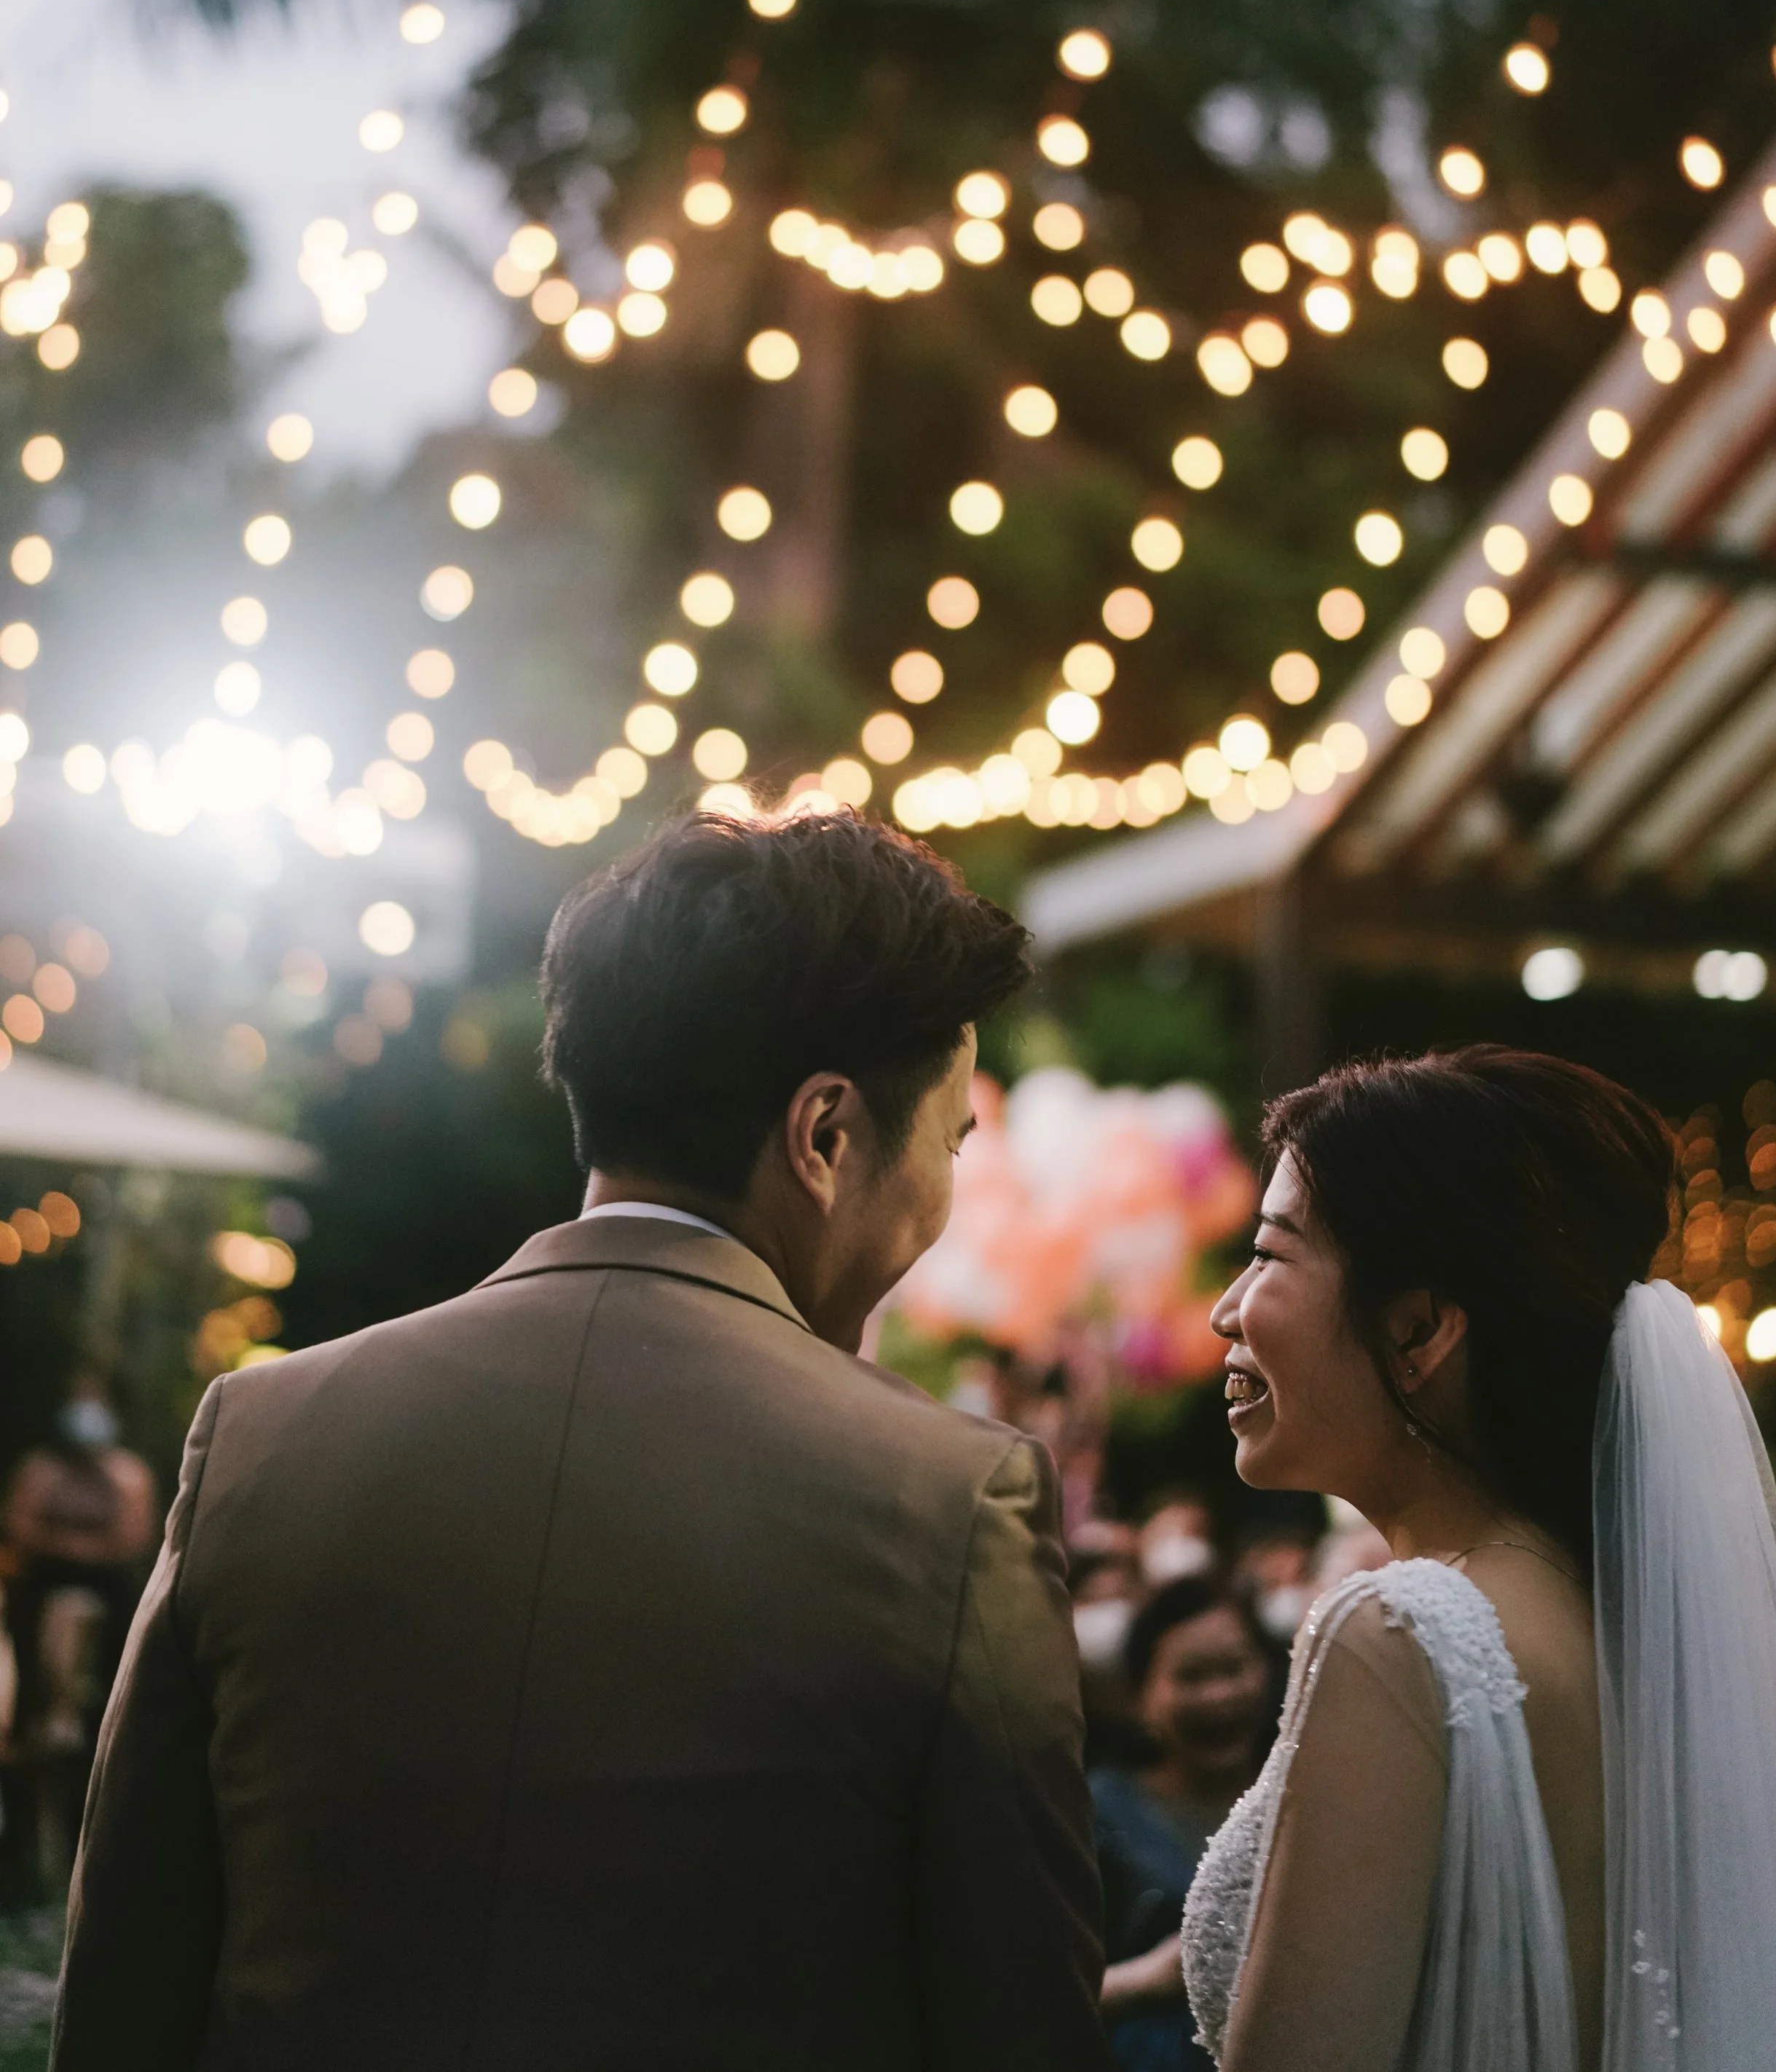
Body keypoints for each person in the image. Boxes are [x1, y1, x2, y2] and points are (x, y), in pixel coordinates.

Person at [52, 811, 1111, 2072]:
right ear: (824, 1136)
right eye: (950, 1141)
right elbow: (1022, 2029)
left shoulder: (263, 1432)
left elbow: (122, 1989)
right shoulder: (953, 1500)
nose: (945, 1192)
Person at [1181, 1046, 1776, 2072]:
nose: (1226, 1310)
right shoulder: (1622, 1627)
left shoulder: (1395, 1638)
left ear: (1419, 1328)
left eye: (1269, 1253)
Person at [1095, 1572, 1278, 2071]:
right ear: (1140, 1695)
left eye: (1235, 1668)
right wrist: (1149, 1981)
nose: (1220, 1695)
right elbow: (1033, 1999)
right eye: (1192, 1676)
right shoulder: (1099, 1811)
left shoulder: (1310, 1801)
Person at [4, 1376, 155, 1752]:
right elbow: (19, 1523)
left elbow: (136, 1535)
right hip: (47, 1569)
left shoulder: (127, 1473)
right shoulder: (42, 1469)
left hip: (105, 1573)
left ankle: (111, 1717)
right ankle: (26, 1714)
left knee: (134, 1624)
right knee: (21, 1616)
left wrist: (82, 1549)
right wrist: (67, 1547)